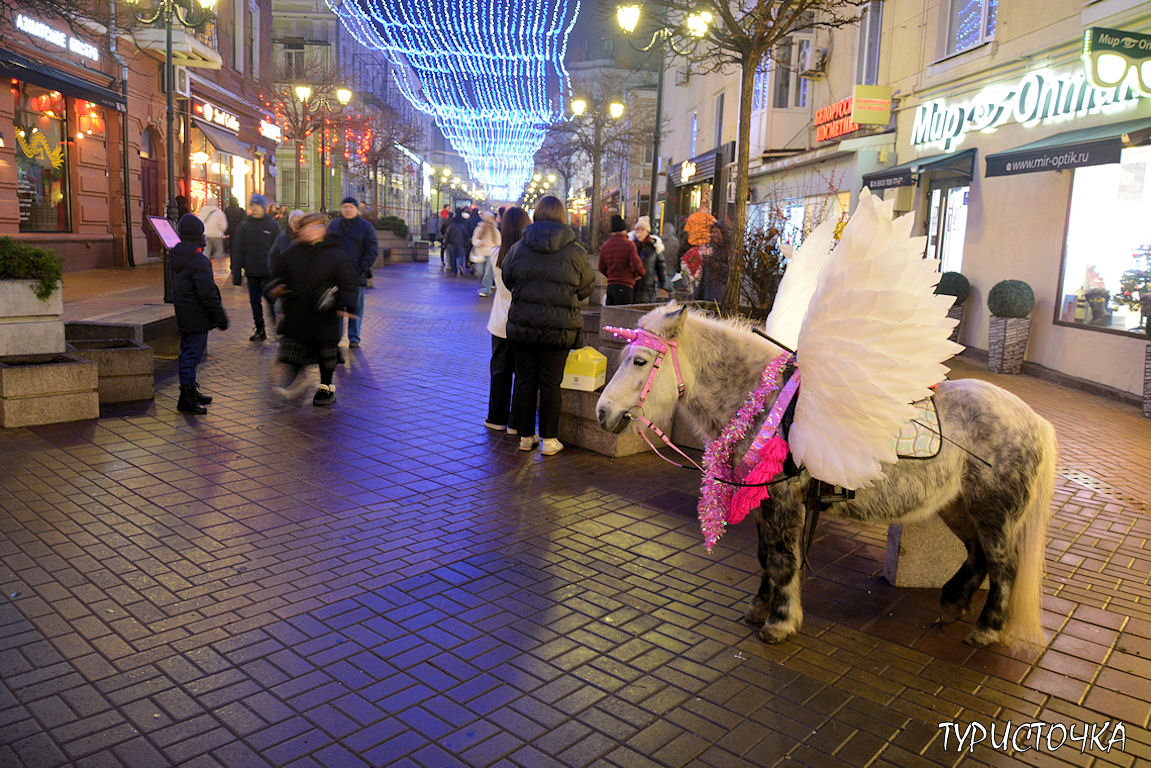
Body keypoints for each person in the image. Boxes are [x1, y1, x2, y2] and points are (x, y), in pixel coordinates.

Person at [503, 195, 594, 456]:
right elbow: (586, 286)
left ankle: (524, 436)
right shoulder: (575, 252)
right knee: (551, 382)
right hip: (560, 326)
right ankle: (550, 440)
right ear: (563, 216)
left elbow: (509, 279)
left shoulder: (519, 248)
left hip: (523, 325)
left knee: (524, 380)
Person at [267, 213, 360, 407]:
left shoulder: (335, 253)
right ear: (299, 231)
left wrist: (346, 305)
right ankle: (291, 383)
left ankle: (326, 389)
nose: (314, 231)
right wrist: (277, 287)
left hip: (325, 313)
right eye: (309, 227)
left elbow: (348, 281)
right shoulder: (291, 253)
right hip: (298, 313)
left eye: (318, 226)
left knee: (326, 356)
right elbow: (277, 275)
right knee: (294, 352)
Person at [169, 213, 228, 414]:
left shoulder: (178, 255)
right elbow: (207, 292)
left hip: (185, 312)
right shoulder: (198, 260)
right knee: (191, 356)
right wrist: (219, 315)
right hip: (196, 315)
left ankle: (190, 391)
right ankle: (186, 397)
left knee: (187, 352)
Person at [484, 206, 530, 434]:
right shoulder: (528, 255)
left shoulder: (496, 254)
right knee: (522, 375)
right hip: (523, 322)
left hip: (499, 321)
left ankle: (495, 417)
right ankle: (516, 422)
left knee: (500, 372)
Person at [326, 196, 378, 349]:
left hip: (357, 275)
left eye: (350, 207)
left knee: (356, 308)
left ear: (356, 209)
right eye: (345, 207)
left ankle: (354, 337)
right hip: (337, 275)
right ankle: (336, 336)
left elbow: (372, 250)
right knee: (338, 308)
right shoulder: (334, 226)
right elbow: (327, 247)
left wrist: (361, 267)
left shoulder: (366, 227)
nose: (347, 209)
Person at [230, 193, 281, 341]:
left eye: (257, 206)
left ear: (263, 207)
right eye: (252, 206)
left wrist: (280, 271)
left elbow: (279, 249)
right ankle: (260, 329)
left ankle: (276, 326)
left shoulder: (273, 226)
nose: (255, 209)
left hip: (269, 272)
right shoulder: (244, 226)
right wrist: (237, 274)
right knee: (254, 302)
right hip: (252, 272)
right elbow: (237, 250)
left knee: (271, 300)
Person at [597, 214, 644, 305]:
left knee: (611, 316)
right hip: (625, 286)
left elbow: (601, 267)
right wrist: (639, 275)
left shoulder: (605, 245)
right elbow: (636, 264)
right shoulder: (629, 245)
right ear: (624, 230)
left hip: (611, 287)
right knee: (623, 316)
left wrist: (611, 276)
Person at [630, 215, 671, 303]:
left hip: (648, 288)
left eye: (642, 229)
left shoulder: (654, 247)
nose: (639, 232)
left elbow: (661, 267)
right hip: (632, 287)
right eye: (637, 229)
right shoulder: (631, 245)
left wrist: (664, 285)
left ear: (647, 232)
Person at [473, 210, 501, 297]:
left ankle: (485, 289)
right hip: (480, 252)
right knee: (480, 272)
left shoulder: (495, 230)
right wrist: (479, 242)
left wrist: (493, 246)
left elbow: (499, 242)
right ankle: (487, 285)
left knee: (488, 272)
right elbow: (474, 240)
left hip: (491, 253)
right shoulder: (479, 228)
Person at [195, 196, 227, 270]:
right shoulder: (219, 212)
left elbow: (199, 221)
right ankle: (217, 267)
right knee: (219, 251)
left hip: (205, 234)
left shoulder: (202, 210)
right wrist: (221, 231)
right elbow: (223, 225)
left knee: (206, 251)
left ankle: (204, 267)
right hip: (216, 235)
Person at [442, 208, 470, 277]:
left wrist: (445, 244)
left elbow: (447, 235)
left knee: (452, 257)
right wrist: (466, 243)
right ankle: (460, 266)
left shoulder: (451, 226)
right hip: (461, 243)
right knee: (461, 256)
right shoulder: (463, 226)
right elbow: (466, 235)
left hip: (452, 244)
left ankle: (453, 271)